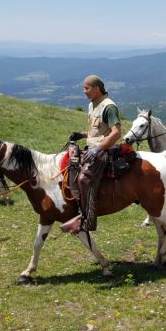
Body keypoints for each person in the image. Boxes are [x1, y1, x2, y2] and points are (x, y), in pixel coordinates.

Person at [62, 75, 122, 234]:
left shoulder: (109, 107)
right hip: (92, 147)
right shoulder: (92, 105)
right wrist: (82, 135)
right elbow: (95, 131)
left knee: (84, 179)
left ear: (97, 88)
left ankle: (88, 220)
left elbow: (116, 133)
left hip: (105, 150)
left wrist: (98, 149)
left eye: (86, 88)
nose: (84, 91)